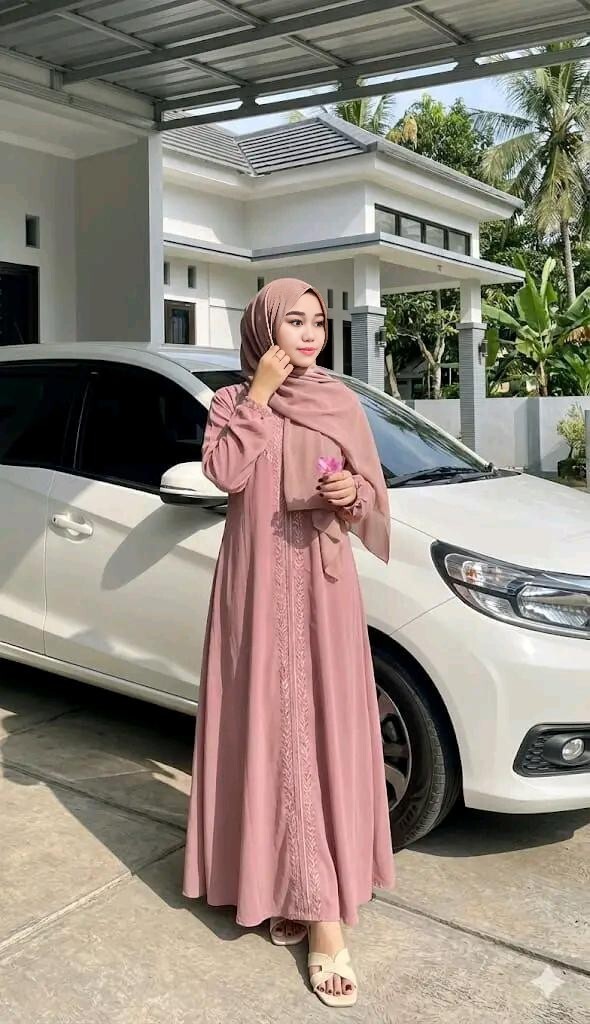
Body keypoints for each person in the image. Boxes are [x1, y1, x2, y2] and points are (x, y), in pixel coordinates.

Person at [182, 277, 395, 1007]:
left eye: (318, 323)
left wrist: (350, 496)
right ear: (263, 328)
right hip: (254, 591)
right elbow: (225, 473)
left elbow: (371, 493)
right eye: (293, 321)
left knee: (316, 732)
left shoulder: (339, 402)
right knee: (270, 732)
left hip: (322, 590)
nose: (308, 334)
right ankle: (282, 883)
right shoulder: (230, 402)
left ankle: (324, 916)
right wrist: (261, 396)